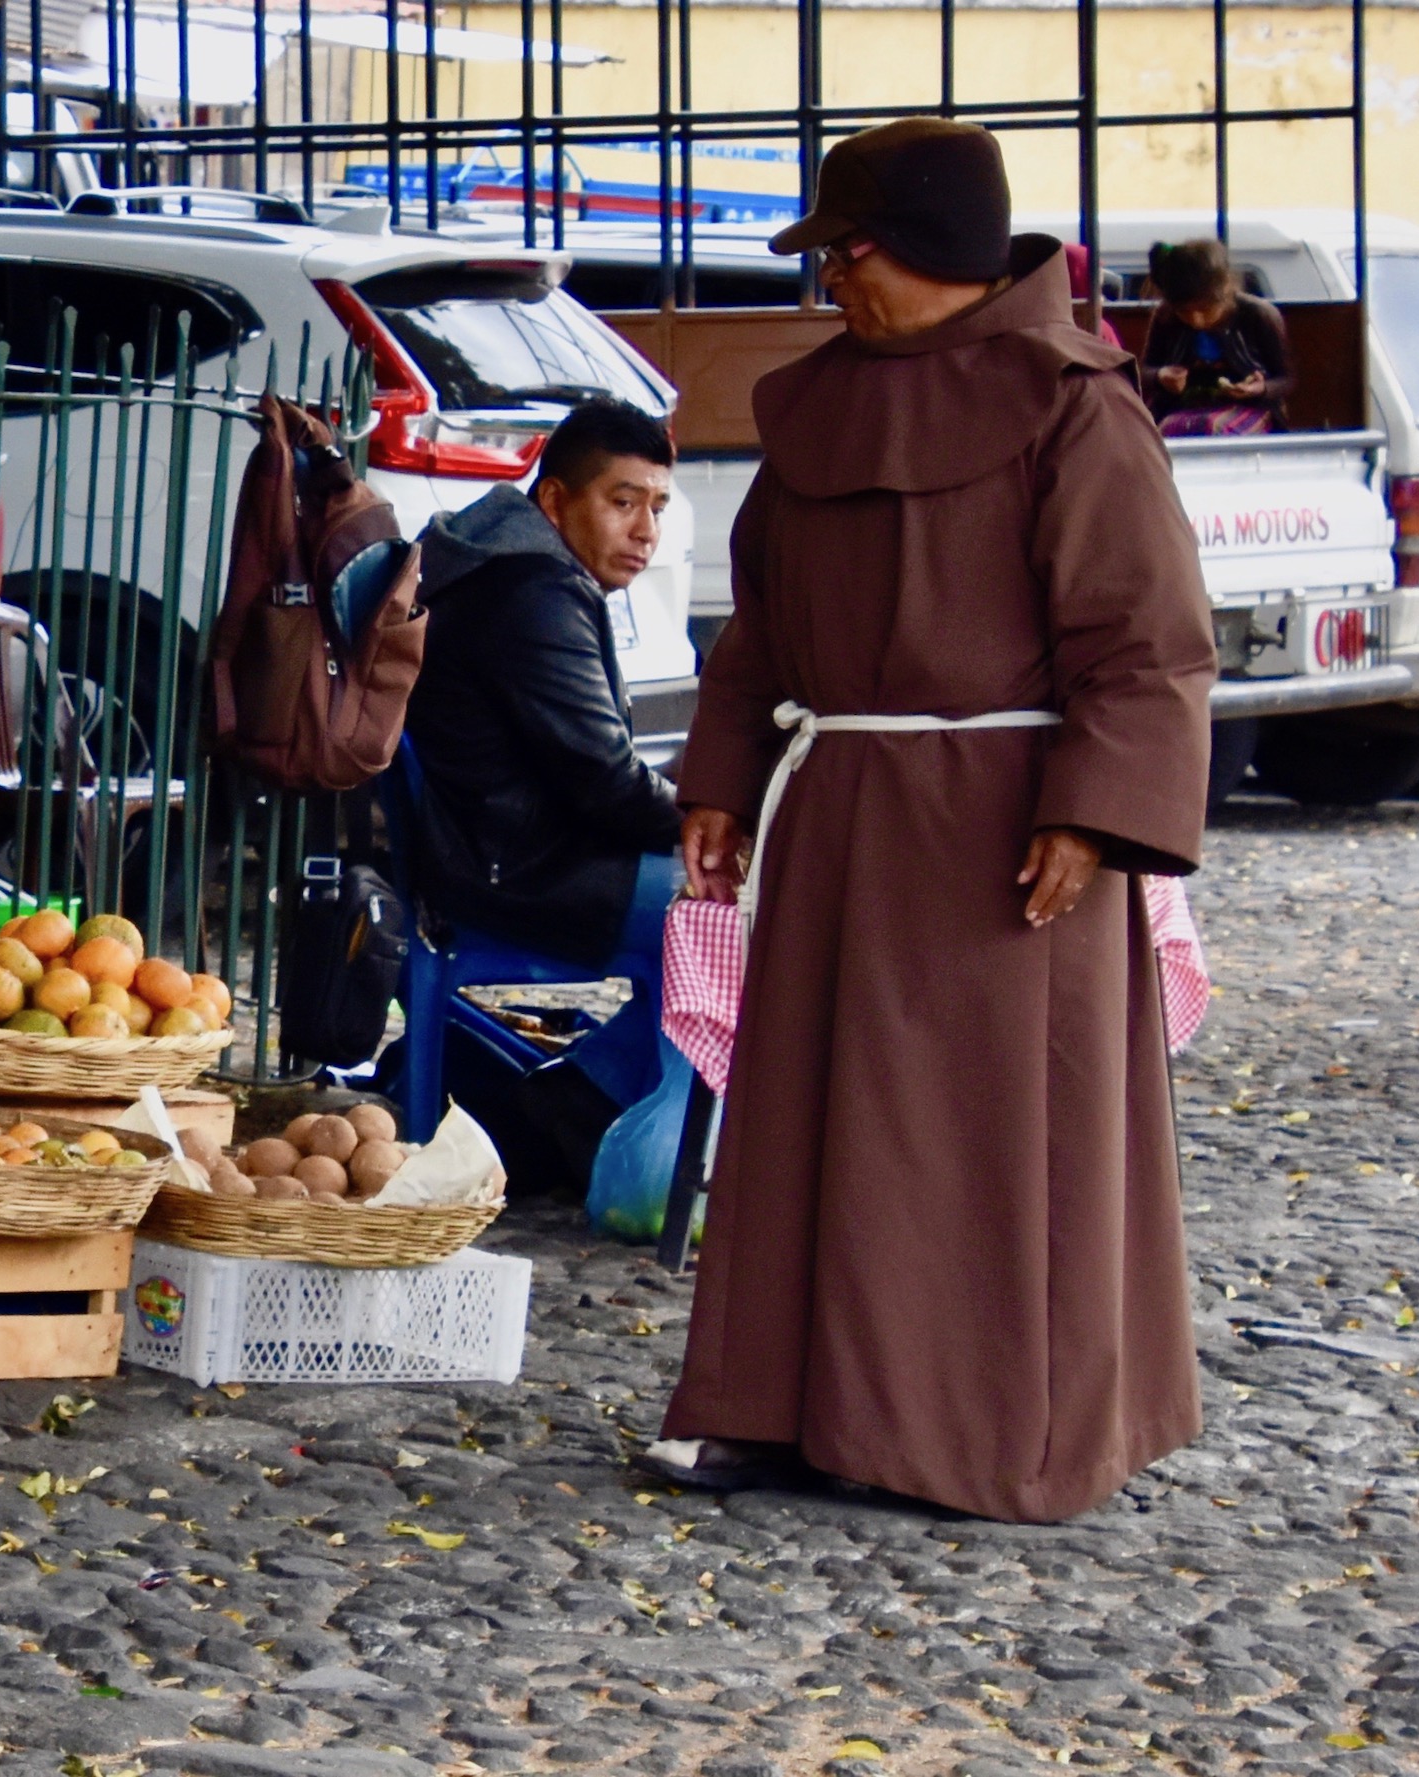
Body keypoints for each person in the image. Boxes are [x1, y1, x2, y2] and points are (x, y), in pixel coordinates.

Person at [652, 119, 1217, 1522]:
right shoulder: (813, 413)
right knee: (804, 1123)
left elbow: (1149, 647)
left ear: (918, 252)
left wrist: (1093, 814)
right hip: (838, 811)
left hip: (1005, 833)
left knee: (977, 1138)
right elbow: (760, 628)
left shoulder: (1080, 407)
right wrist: (721, 783)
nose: (827, 285)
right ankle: (781, 1408)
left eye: (842, 256)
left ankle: (979, 1434)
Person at [400, 396, 684, 1122]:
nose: (645, 530)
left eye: (657, 506)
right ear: (555, 499)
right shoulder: (532, 592)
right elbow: (608, 785)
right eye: (623, 502)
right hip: (521, 870)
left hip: (511, 848)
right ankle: (622, 1123)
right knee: (743, 911)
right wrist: (713, 825)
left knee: (731, 899)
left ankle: (576, 1106)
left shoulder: (516, 562)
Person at [1137, 237, 1288, 437]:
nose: (1196, 320)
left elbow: (1286, 378)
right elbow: (1144, 370)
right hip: (1180, 410)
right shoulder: (1166, 315)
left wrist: (1260, 388)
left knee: (1211, 428)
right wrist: (1161, 376)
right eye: (1184, 312)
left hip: (1250, 409)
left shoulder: (1259, 314)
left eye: (1205, 310)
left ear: (1225, 289)